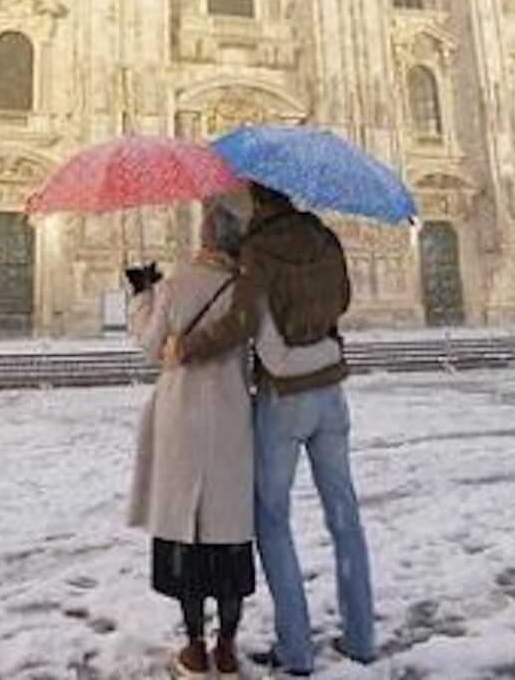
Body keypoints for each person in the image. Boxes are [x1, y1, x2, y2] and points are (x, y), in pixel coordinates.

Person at [170, 183, 376, 676]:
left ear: (256, 203)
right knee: (344, 514)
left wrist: (186, 347)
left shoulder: (257, 251)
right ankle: (362, 638)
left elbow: (241, 321)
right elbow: (342, 299)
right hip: (331, 390)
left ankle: (297, 649)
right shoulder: (325, 237)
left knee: (272, 521)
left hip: (285, 396)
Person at [126, 202, 255, 678]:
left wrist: (143, 295)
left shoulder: (175, 285)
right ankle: (228, 645)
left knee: (187, 534)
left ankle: (196, 648)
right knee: (229, 536)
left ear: (204, 235)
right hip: (232, 420)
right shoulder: (247, 288)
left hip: (180, 421)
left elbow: (149, 346)